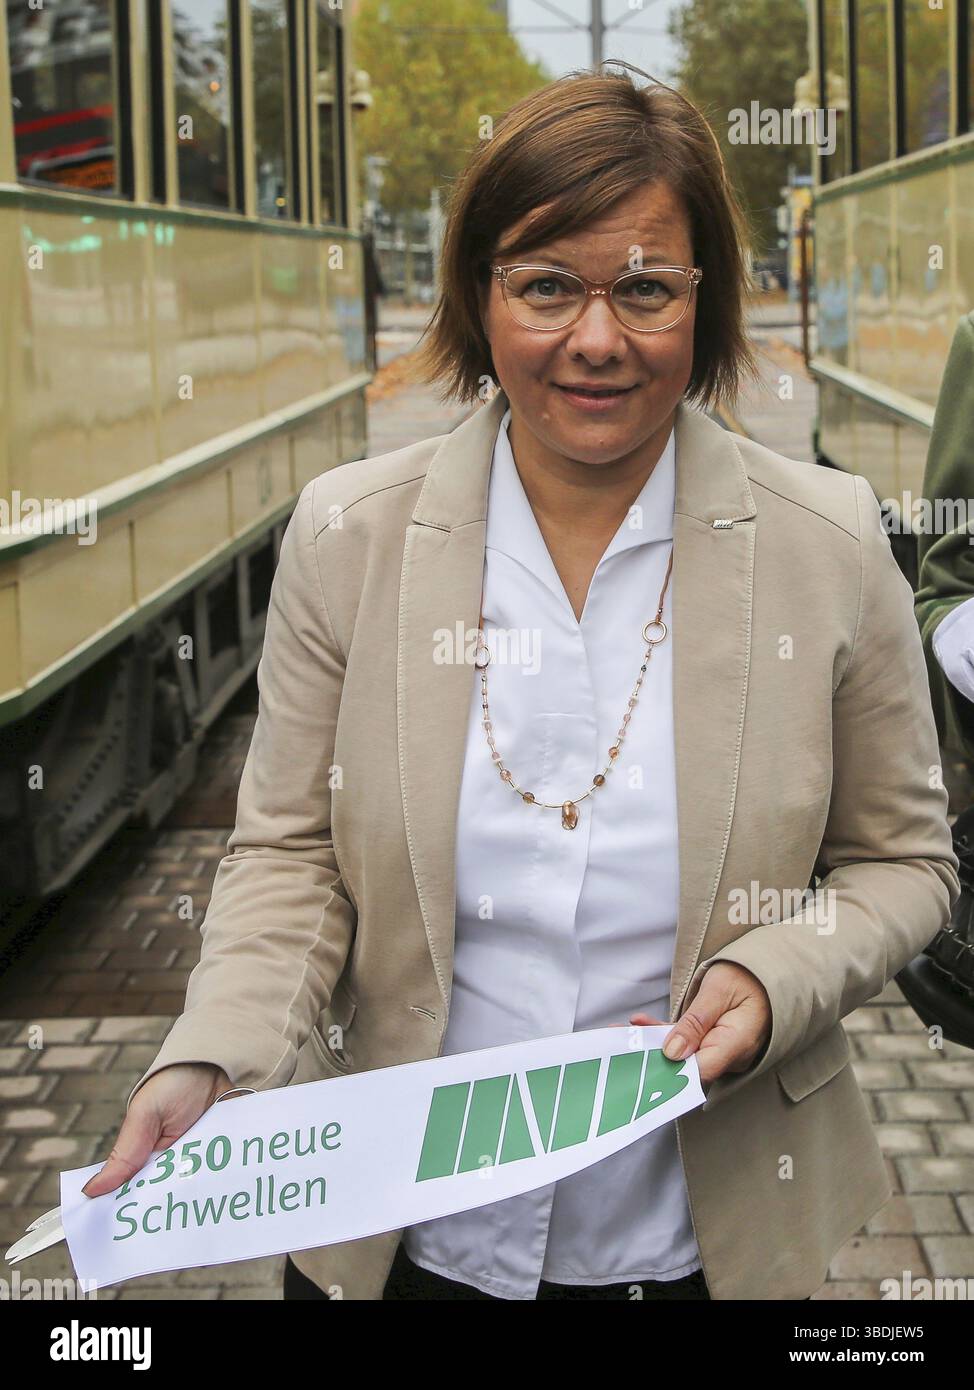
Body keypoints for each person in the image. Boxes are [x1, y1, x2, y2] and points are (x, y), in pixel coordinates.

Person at [83, 64, 959, 1301]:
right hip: (397, 1239)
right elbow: (287, 854)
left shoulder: (826, 540)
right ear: (477, 298)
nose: (596, 339)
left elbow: (904, 864)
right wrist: (219, 1055)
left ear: (701, 306)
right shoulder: (348, 536)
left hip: (695, 1247)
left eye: (645, 288)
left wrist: (779, 974)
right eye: (545, 285)